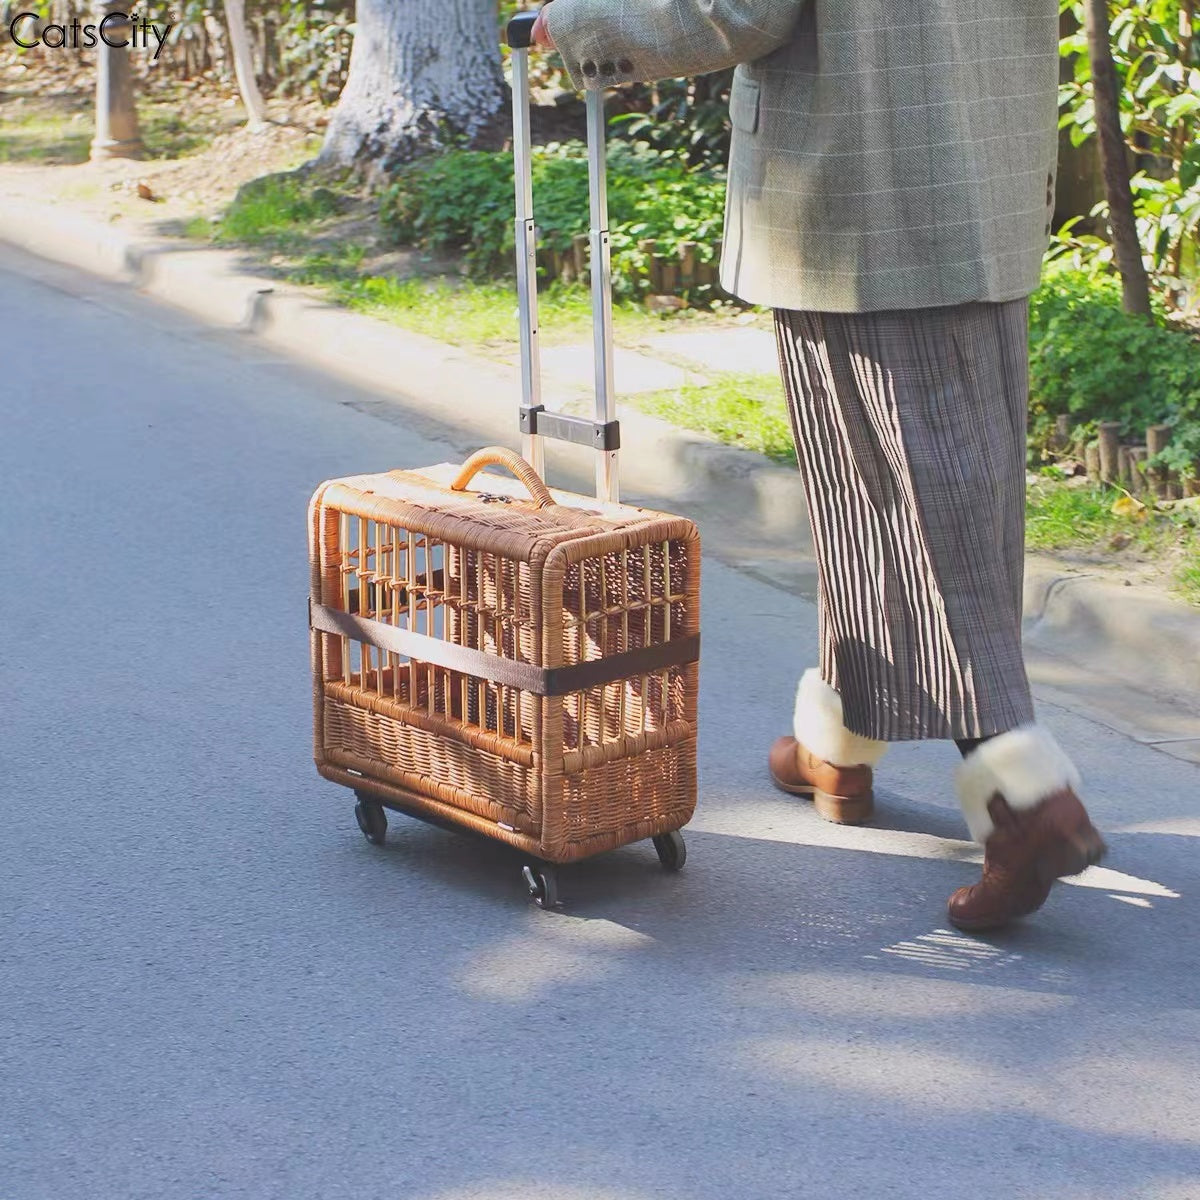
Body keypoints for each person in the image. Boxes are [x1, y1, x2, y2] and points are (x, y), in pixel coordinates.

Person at [530, 0, 1107, 931]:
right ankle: (838, 741)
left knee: (907, 505)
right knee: (920, 493)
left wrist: (585, 23)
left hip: (852, 191)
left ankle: (1026, 798)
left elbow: (736, 10)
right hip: (988, 178)